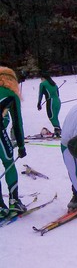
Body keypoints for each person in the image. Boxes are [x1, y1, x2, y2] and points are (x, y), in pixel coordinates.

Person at [0, 67, 27, 219]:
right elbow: (17, 123)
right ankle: (14, 201)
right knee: (8, 162)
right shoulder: (11, 95)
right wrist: (21, 146)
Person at [36, 73, 62, 138]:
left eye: (41, 79)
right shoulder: (54, 84)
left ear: (43, 78)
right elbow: (57, 94)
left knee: (51, 117)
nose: (41, 80)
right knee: (55, 117)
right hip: (58, 101)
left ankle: (58, 130)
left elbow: (40, 94)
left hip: (51, 101)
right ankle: (57, 130)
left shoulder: (42, 84)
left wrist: (39, 103)